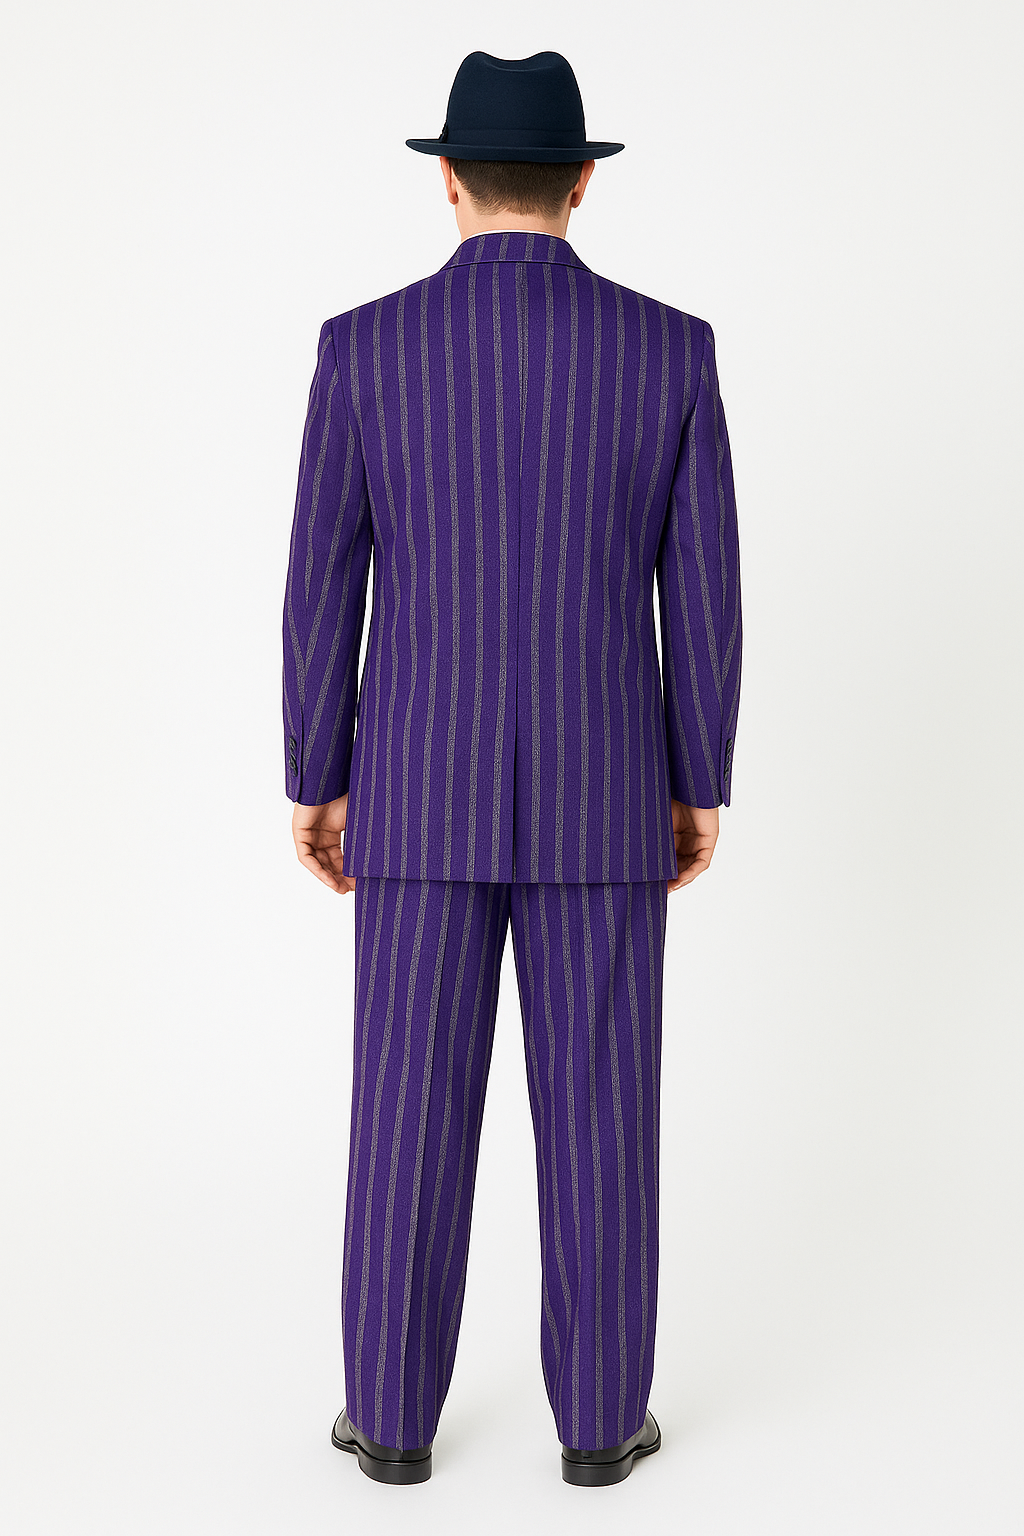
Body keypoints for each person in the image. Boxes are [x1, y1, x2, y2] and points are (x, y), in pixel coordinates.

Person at [281, 49, 742, 1487]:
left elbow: (321, 584)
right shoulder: (669, 351)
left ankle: (391, 1424)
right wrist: (698, 778)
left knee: (404, 1116)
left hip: (415, 793)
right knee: (603, 1118)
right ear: (584, 180)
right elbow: (705, 594)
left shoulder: (366, 348)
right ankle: (601, 1428)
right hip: (611, 797)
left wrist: (317, 772)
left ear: (448, 179)